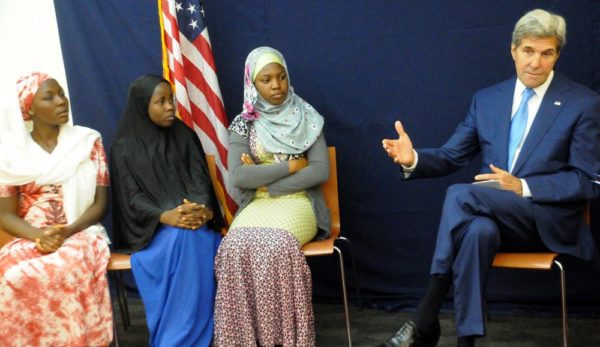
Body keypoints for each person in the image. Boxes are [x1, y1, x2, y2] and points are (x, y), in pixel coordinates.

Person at [379, 9, 600, 347]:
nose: (536, 63)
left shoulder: (583, 103)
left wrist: (524, 186)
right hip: (495, 218)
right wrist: (414, 159)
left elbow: (588, 181)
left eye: (547, 53)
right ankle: (465, 342)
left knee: (458, 194)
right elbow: (453, 155)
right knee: (476, 232)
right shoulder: (487, 100)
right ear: (513, 50)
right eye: (528, 51)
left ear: (557, 54)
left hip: (546, 220)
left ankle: (426, 314)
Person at [214, 46, 330, 347]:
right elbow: (239, 177)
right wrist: (290, 165)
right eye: (266, 79)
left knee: (277, 244)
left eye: (281, 77)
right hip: (257, 204)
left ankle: (284, 338)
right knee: (233, 246)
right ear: (253, 83)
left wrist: (269, 182)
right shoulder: (244, 122)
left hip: (299, 201)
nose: (276, 85)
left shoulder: (308, 117)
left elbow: (319, 171)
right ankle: (245, 339)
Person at [0, 72, 113, 346]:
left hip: (80, 231)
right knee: (12, 274)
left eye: (61, 94)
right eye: (49, 97)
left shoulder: (88, 142)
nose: (61, 101)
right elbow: (5, 214)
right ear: (29, 108)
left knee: (64, 268)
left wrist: (67, 231)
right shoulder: (12, 154)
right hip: (29, 236)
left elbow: (101, 205)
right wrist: (38, 236)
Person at [110, 74, 222, 347]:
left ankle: (184, 337)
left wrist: (201, 210)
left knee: (192, 237)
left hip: (193, 223)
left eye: (170, 100)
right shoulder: (123, 148)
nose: (170, 107)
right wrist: (165, 216)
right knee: (181, 238)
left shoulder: (184, 135)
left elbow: (200, 180)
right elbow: (131, 199)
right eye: (160, 102)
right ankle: (179, 338)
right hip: (151, 231)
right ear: (142, 105)